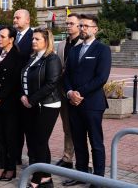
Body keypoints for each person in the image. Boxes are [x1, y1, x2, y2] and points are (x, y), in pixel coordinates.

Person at [62, 14, 111, 188]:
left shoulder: (102, 49)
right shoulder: (74, 50)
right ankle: (81, 175)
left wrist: (79, 93)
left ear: (95, 29)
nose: (82, 29)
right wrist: (69, 93)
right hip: (74, 104)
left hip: (92, 104)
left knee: (96, 143)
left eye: (86, 26)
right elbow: (66, 75)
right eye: (81, 26)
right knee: (78, 141)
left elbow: (101, 78)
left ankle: (98, 180)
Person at [20, 27, 62, 188]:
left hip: (49, 104)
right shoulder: (33, 58)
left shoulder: (52, 59)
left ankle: (37, 179)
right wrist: (22, 95)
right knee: (39, 142)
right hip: (33, 104)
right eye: (32, 39)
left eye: (37, 39)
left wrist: (31, 99)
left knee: (40, 141)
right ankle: (46, 175)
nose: (33, 41)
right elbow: (24, 79)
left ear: (47, 41)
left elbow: (51, 83)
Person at [0, 26, 23, 182]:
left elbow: (14, 81)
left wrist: (0, 96)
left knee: (10, 137)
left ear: (11, 39)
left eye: (2, 36)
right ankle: (0, 166)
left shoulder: (18, 57)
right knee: (0, 137)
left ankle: (11, 168)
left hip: (10, 104)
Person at [55, 13, 82, 169]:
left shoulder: (83, 45)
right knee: (67, 127)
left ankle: (84, 161)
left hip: (78, 93)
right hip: (62, 92)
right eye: (67, 23)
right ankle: (67, 158)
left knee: (80, 128)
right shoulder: (61, 45)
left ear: (79, 25)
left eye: (71, 23)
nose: (68, 26)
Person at [13, 9, 33, 165]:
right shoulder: (11, 36)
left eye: (18, 17)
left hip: (27, 90)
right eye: (14, 17)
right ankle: (15, 157)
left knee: (28, 127)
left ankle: (33, 160)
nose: (14, 19)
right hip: (11, 89)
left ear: (27, 20)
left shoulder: (34, 37)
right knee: (15, 127)